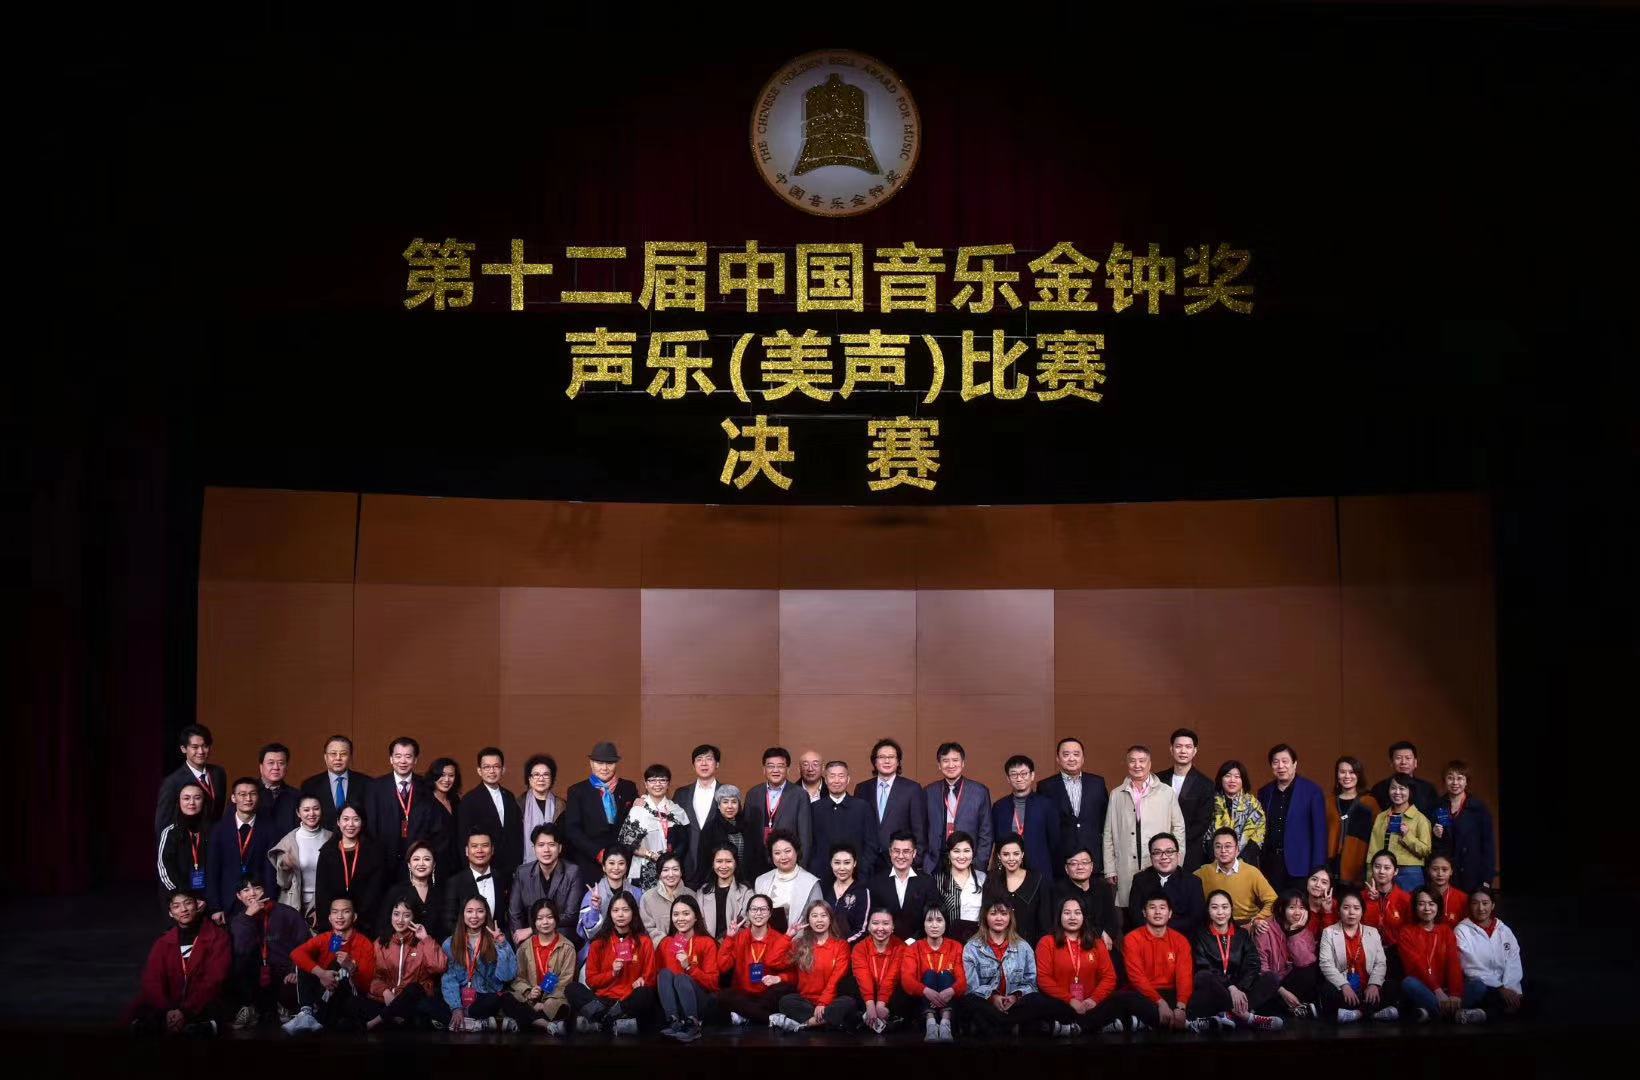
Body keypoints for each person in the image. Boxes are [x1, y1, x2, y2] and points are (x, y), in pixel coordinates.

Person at [1036, 897, 1150, 1036]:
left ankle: (1074, 1027)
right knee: (1036, 1001)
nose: (1072, 917)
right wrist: (1070, 1000)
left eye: (1077, 912)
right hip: (1062, 1003)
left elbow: (1109, 978)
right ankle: (1097, 1025)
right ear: (1059, 916)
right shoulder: (1046, 942)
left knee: (1126, 998)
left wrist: (1093, 1000)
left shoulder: (1097, 944)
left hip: (1092, 1006)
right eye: (1067, 913)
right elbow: (1044, 979)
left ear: (1084, 917)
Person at [1103, 745, 1186, 930]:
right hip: (1126, 865)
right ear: (1127, 763)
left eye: (1142, 761)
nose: (1137, 765)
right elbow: (1109, 833)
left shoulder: (1166, 792)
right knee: (1131, 917)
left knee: (1159, 910)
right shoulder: (1117, 794)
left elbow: (1179, 828)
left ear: (1150, 764)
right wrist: (1109, 868)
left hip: (1159, 863)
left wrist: (1177, 861)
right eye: (1132, 761)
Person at [127, 889, 230, 1035]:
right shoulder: (163, 942)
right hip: (170, 1005)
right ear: (171, 913)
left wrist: (185, 1011)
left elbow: (215, 979)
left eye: (188, 903)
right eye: (176, 906)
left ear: (198, 906)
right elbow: (152, 979)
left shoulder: (218, 937)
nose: (183, 909)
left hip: (201, 1003)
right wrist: (167, 1010)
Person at [1188, 890, 1286, 1030]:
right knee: (1202, 976)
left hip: (1240, 989)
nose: (1220, 912)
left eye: (1225, 907)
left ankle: (1229, 1015)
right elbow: (1203, 965)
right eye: (1214, 907)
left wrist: (1240, 989)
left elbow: (1253, 964)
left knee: (1272, 978)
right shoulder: (1200, 935)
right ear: (1208, 910)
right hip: (1214, 990)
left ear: (1231, 909)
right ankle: (1247, 1017)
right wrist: (1231, 988)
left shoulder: (1242, 934)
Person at [958, 901, 1057, 1036]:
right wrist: (993, 997)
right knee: (969, 1002)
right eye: (993, 914)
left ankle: (1000, 1026)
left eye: (1004, 914)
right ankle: (1014, 1026)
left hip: (1016, 1005)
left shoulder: (1023, 947)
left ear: (1010, 917)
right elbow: (972, 986)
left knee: (1038, 1000)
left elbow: (1031, 983)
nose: (999, 918)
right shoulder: (972, 948)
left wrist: (1015, 997)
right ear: (985, 917)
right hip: (987, 1005)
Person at [282, 897, 378, 1034]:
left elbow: (366, 985)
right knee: (304, 963)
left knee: (340, 968)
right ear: (330, 918)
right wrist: (321, 973)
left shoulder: (364, 943)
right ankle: (306, 1013)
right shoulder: (325, 938)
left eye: (345, 912)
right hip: (323, 991)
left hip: (349, 997)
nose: (339, 916)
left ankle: (318, 1017)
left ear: (354, 917)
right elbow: (296, 953)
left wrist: (351, 967)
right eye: (335, 912)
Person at [568, 890, 657, 1035]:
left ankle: (600, 1021)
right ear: (609, 914)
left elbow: (651, 977)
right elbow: (591, 981)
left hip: (628, 999)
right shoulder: (598, 942)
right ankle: (615, 1021)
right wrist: (612, 973)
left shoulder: (644, 941)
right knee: (572, 989)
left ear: (633, 913)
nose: (620, 915)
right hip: (602, 1000)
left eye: (625, 910)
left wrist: (643, 980)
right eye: (615, 910)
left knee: (646, 994)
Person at [768, 899, 860, 1033]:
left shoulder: (841, 945)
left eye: (823, 915)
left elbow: (835, 979)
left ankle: (806, 1024)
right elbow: (772, 961)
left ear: (830, 919)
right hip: (806, 1001)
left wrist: (823, 1003)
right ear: (808, 920)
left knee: (848, 1002)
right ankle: (828, 1023)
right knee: (785, 1001)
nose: (819, 920)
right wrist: (788, 936)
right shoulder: (800, 944)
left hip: (830, 1001)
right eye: (814, 916)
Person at [227, 877, 307, 1028]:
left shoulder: (287, 913)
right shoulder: (239, 920)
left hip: (284, 971)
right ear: (239, 896)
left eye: (257, 888)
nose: (252, 893)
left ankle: (286, 1007)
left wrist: (295, 969)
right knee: (238, 968)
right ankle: (250, 1009)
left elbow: (303, 944)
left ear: (264, 890)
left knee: (292, 983)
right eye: (246, 890)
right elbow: (240, 950)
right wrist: (248, 917)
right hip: (255, 976)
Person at [441, 896, 528, 1033]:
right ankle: (483, 1023)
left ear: (486, 914)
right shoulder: (450, 943)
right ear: (463, 914)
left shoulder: (496, 940)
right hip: (460, 998)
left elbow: (507, 976)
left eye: (480, 911)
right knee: (428, 1003)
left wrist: (501, 945)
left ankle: (470, 1022)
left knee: (500, 999)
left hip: (486, 997)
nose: (474, 916)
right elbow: (449, 979)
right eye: (469, 911)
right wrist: (456, 1007)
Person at [364, 896, 450, 1031]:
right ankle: (394, 1017)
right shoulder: (380, 943)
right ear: (390, 915)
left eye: (406, 915)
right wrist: (385, 992)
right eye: (396, 914)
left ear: (413, 918)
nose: (400, 920)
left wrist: (425, 939)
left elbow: (439, 967)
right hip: (385, 999)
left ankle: (380, 1020)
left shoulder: (423, 942)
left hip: (414, 1000)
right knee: (354, 1003)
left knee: (414, 989)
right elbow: (373, 976)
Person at [1122, 892, 1204, 1032]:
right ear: (1144, 913)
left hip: (1173, 994)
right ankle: (1187, 1022)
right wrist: (1160, 1003)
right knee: (1122, 998)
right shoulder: (1131, 939)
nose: (1158, 912)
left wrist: (1181, 1006)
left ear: (1170, 913)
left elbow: (1184, 976)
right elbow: (1137, 978)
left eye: (1162, 907)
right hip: (1144, 994)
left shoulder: (1180, 940)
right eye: (1152, 907)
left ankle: (1148, 1022)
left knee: (1204, 988)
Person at [561, 741, 639, 881]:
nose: (604, 768)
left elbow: (635, 824)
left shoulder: (628, 787)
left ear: (616, 764)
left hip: (622, 861)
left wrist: (622, 855)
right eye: (599, 763)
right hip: (589, 861)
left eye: (610, 763)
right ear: (591, 763)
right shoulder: (577, 791)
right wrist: (597, 853)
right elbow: (573, 830)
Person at [1318, 889, 1398, 1023]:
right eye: (1346, 908)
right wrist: (1344, 986)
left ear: (1362, 911)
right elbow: (1326, 964)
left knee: (1392, 986)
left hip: (1368, 989)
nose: (1351, 912)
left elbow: (1380, 963)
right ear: (1339, 911)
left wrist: (1374, 985)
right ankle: (1371, 1014)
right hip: (1344, 989)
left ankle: (1356, 1014)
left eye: (1356, 908)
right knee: (1327, 990)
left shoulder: (1372, 932)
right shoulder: (1329, 932)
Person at [1256, 744, 1328, 893]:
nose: (1280, 766)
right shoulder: (1265, 792)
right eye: (1276, 762)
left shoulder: (1312, 791)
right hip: (1271, 864)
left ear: (1294, 764)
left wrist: (1318, 867)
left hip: (1301, 865)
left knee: (1298, 906)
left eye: (1285, 761)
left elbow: (1320, 833)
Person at [713, 893, 793, 1026]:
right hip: (743, 994)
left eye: (763, 909)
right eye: (754, 909)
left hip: (768, 994)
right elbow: (723, 966)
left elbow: (793, 975)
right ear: (748, 913)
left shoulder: (780, 939)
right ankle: (770, 1018)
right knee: (721, 996)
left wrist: (778, 978)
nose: (758, 913)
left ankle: (746, 1015)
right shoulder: (738, 937)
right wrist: (729, 938)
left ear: (770, 913)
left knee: (784, 992)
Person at [364, 737, 443, 870]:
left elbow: (434, 825)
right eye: (398, 756)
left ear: (415, 760)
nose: (403, 761)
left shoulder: (426, 786)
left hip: (417, 860)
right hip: (384, 859)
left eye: (408, 756)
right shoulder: (376, 787)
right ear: (391, 759)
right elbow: (371, 826)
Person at [1452, 886, 1526, 1024]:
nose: (1481, 908)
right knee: (1479, 989)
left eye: (1485, 903)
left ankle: (1482, 1014)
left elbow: (1513, 962)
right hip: (1480, 984)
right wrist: (1499, 988)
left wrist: (1511, 989)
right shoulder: (1461, 931)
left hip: (1505, 985)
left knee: (1536, 991)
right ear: (1469, 906)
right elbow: (1470, 967)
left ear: (1492, 905)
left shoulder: (1504, 930)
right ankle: (1494, 1012)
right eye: (1475, 903)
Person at [1037, 737, 1109, 878]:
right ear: (1058, 759)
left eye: (1076, 754)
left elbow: (1105, 820)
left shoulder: (1097, 783)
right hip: (1060, 861)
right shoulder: (1046, 786)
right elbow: (1043, 826)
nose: (1071, 758)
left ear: (1083, 758)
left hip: (1093, 859)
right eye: (1066, 754)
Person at [314, 806, 387, 938]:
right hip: (335, 923)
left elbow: (376, 891)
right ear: (338, 822)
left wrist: (358, 918)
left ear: (362, 822)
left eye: (356, 819)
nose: (350, 824)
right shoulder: (327, 851)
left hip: (366, 923)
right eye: (346, 819)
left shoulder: (374, 851)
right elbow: (322, 893)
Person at [1396, 885, 1465, 1023]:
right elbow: (1416, 965)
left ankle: (1432, 1012)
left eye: (1431, 904)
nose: (1427, 908)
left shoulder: (1446, 931)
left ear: (1438, 906)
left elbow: (1453, 963)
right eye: (1421, 904)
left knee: (1477, 985)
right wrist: (1437, 990)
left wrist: (1455, 994)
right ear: (1415, 907)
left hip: (1446, 989)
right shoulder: (1406, 932)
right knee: (1408, 983)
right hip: (1423, 989)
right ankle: (1455, 1015)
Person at [655, 895, 719, 1042]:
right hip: (674, 1003)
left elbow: (713, 984)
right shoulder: (666, 943)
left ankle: (693, 1026)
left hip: (699, 1002)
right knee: (664, 974)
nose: (680, 919)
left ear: (696, 917)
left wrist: (689, 967)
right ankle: (674, 1022)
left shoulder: (706, 942)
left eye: (686, 913)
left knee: (681, 978)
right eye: (676, 914)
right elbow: (658, 979)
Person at [454, 748, 524, 882]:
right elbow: (463, 839)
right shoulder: (469, 800)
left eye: (496, 766)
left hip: (509, 869)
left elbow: (516, 833)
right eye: (487, 767)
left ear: (503, 769)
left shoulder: (509, 796)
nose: (492, 771)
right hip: (482, 869)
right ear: (479, 771)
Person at [922, 742, 994, 872]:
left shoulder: (979, 792)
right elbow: (922, 830)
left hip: (968, 863)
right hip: (935, 864)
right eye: (945, 761)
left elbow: (986, 833)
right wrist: (926, 861)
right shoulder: (929, 792)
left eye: (955, 760)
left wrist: (978, 865)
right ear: (939, 765)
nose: (951, 765)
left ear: (963, 763)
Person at [744, 747, 814, 881]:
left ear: (787, 769)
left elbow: (805, 836)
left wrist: (800, 869)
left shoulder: (799, 795)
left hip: (787, 862)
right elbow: (747, 834)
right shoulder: (753, 794)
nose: (775, 770)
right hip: (757, 864)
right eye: (770, 766)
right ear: (764, 769)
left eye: (780, 766)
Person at [507, 897, 575, 1034]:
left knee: (558, 1006)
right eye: (539, 918)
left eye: (549, 917)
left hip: (554, 999)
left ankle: (528, 1021)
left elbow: (565, 981)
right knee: (507, 998)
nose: (545, 922)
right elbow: (518, 978)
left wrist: (545, 1002)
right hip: (529, 999)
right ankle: (545, 1024)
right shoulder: (524, 948)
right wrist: (529, 992)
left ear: (556, 919)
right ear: (534, 922)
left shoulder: (567, 947)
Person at [508, 823, 583, 946]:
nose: (546, 850)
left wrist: (532, 929)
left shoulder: (572, 872)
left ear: (559, 848)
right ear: (534, 848)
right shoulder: (522, 872)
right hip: (530, 942)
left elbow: (571, 915)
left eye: (551, 845)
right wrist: (522, 945)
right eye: (541, 845)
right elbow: (514, 914)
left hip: (562, 939)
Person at [207, 778, 269, 920]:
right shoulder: (218, 829)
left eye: (252, 794)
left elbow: (270, 870)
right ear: (233, 798)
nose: (248, 798)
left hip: (258, 900)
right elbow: (212, 870)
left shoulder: (269, 829)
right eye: (242, 794)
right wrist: (215, 907)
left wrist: (268, 901)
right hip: (227, 902)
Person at [857, 738, 927, 863]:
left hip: (899, 860)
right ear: (874, 762)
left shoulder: (912, 789)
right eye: (882, 757)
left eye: (891, 757)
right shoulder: (862, 788)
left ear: (898, 761)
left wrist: (916, 860)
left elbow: (919, 829)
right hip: (868, 861)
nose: (887, 761)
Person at [991, 756, 1062, 879]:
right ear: (1008, 778)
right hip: (1007, 871)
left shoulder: (1046, 805)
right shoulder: (999, 807)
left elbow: (1055, 842)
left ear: (1032, 775)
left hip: (1039, 871)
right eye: (1014, 774)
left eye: (1024, 774)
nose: (1019, 778)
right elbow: (997, 842)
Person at [809, 760, 881, 879]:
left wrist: (862, 869)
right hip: (822, 876)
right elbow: (810, 845)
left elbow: (872, 844)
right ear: (826, 780)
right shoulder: (814, 808)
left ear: (848, 779)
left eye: (841, 776)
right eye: (832, 776)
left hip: (856, 876)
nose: (836, 780)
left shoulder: (862, 807)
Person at [902, 905, 965, 1040]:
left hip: (951, 1005)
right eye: (929, 920)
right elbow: (907, 980)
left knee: (945, 975)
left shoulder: (956, 946)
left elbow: (963, 980)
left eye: (939, 920)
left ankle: (945, 1024)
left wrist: (951, 991)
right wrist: (926, 991)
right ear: (923, 923)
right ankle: (930, 1024)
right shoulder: (913, 948)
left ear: (946, 923)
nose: (934, 925)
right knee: (930, 974)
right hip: (922, 1007)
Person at [154, 724, 227, 839]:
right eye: (195, 747)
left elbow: (218, 812)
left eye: (205, 746)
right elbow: (162, 824)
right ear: (183, 749)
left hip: (214, 841)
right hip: (187, 843)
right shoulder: (172, 782)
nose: (201, 751)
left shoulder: (218, 773)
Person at [268, 795, 331, 928]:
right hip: (293, 902)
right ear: (298, 813)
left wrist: (323, 907)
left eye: (316, 809)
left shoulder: (331, 838)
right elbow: (283, 883)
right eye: (306, 810)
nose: (311, 814)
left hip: (324, 902)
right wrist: (285, 868)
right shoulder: (289, 841)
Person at [622, 764, 688, 890]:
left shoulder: (677, 811)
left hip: (670, 870)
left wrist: (670, 859)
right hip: (644, 868)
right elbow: (627, 843)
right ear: (646, 784)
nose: (657, 784)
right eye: (652, 780)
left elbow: (684, 842)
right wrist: (651, 855)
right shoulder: (637, 810)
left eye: (662, 780)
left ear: (668, 784)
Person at [1194, 828, 1277, 928]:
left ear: (1237, 849)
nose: (1223, 850)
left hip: (1246, 924)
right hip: (1215, 924)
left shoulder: (1251, 872)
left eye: (1228, 846)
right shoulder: (1203, 872)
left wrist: (1257, 919)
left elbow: (1273, 900)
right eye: (1218, 846)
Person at [981, 834, 1054, 945]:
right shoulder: (992, 879)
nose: (1011, 859)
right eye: (1006, 854)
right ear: (999, 856)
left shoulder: (1037, 880)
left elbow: (1045, 924)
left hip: (1031, 947)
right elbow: (985, 918)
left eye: (1016, 854)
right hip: (997, 947)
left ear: (1022, 854)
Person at [1434, 760, 1496, 893]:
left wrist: (1487, 879)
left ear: (1466, 781)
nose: (1455, 782)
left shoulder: (1479, 808)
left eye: (1460, 778)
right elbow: (1432, 845)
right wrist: (1436, 835)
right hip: (1446, 873)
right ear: (1444, 781)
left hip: (1472, 872)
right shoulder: (1437, 806)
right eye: (1450, 778)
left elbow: (1488, 846)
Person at [1258, 890, 1321, 1019]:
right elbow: (1261, 968)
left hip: (1287, 980)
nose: (1297, 912)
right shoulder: (1265, 928)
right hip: (1270, 983)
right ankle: (1294, 1008)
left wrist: (1294, 934)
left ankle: (1293, 1007)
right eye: (1292, 907)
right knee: (1268, 988)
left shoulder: (1305, 931)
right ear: (1282, 908)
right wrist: (1282, 991)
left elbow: (1305, 963)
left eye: (1302, 908)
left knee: (1311, 970)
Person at [1126, 832, 1205, 934]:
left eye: (1169, 851)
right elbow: (1135, 915)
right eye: (1157, 852)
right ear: (1151, 857)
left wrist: (1162, 930)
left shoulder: (1193, 882)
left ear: (1178, 855)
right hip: (1147, 936)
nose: (1164, 857)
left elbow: (1196, 918)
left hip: (1181, 937)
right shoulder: (1140, 880)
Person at [441, 828, 512, 939]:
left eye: (485, 845)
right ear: (466, 851)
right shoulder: (455, 882)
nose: (480, 850)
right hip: (466, 944)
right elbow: (450, 922)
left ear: (492, 850)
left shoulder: (502, 879)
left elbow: (507, 918)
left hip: (498, 943)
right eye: (474, 846)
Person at [869, 831, 938, 941]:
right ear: (890, 852)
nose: (901, 856)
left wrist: (912, 941)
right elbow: (873, 918)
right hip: (885, 944)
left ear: (914, 853)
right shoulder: (876, 882)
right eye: (896, 851)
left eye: (906, 851)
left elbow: (931, 917)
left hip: (919, 944)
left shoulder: (927, 882)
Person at [1163, 730, 1216, 872]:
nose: (1183, 751)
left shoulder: (1206, 784)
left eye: (1188, 747)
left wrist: (1174, 843)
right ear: (1171, 749)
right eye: (1178, 746)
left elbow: (1202, 822)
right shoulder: (1158, 779)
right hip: (1158, 850)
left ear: (1195, 751)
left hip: (1190, 851)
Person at [575, 847, 643, 957]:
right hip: (600, 949)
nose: (616, 868)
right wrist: (595, 909)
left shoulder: (638, 894)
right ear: (603, 867)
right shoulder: (591, 895)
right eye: (611, 863)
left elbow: (642, 929)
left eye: (621, 863)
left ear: (627, 867)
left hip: (631, 947)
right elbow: (587, 934)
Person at [1369, 774, 1432, 891]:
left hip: (1409, 872)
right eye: (1393, 788)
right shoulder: (1381, 817)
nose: (1397, 792)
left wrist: (1407, 836)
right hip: (1383, 871)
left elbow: (1426, 851)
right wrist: (1370, 876)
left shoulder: (1420, 819)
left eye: (1402, 788)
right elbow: (1373, 849)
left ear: (1410, 791)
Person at [378, 839, 448, 944]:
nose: (421, 863)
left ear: (434, 864)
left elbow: (444, 929)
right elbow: (383, 926)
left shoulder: (441, 893)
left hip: (434, 949)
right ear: (409, 864)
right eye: (416, 859)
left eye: (427, 859)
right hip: (402, 949)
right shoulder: (396, 891)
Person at [855, 908, 913, 1033]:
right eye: (875, 923)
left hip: (891, 995)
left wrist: (881, 1004)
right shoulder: (859, 948)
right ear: (868, 926)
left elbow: (892, 977)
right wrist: (870, 1006)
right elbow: (863, 978)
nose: (880, 928)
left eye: (886, 923)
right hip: (866, 996)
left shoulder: (901, 947)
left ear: (892, 927)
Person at [754, 829, 822, 934]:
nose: (783, 857)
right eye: (777, 853)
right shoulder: (761, 881)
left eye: (787, 851)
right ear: (771, 856)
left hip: (800, 940)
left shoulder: (811, 882)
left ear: (796, 852)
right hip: (766, 939)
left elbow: (818, 919)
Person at [298, 734, 371, 830]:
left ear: (350, 756)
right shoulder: (310, 785)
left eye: (343, 754)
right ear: (325, 757)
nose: (338, 758)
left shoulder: (367, 783)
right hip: (322, 838)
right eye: (333, 754)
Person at [1327, 755, 1380, 886]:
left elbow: (1377, 835)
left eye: (1352, 772)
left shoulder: (1369, 803)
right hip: (1331, 865)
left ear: (1359, 775)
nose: (1347, 776)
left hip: (1359, 865)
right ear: (1337, 775)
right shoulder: (1329, 803)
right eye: (1342, 772)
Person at [675, 744, 723, 885]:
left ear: (717, 764)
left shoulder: (726, 792)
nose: (704, 763)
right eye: (699, 759)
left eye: (709, 759)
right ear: (693, 765)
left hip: (718, 865)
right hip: (687, 863)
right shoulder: (681, 794)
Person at [1052, 847, 1117, 951]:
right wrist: (1100, 932)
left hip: (1103, 944)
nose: (1080, 867)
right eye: (1074, 863)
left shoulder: (1103, 887)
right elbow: (1062, 925)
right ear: (1066, 869)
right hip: (1071, 944)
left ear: (1091, 866)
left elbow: (1112, 921)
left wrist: (1106, 936)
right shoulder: (1058, 891)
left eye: (1085, 862)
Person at [156, 783, 210, 900]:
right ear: (179, 802)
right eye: (186, 798)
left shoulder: (214, 830)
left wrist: (208, 898)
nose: (191, 802)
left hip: (209, 897)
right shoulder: (170, 832)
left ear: (204, 801)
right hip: (180, 898)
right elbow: (164, 867)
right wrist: (183, 897)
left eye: (197, 798)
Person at [1210, 759, 1267, 868]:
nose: (1232, 780)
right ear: (1221, 779)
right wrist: (1219, 857)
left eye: (1237, 777)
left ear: (1243, 780)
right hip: (1214, 862)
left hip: (1246, 863)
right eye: (1228, 776)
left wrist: (1237, 861)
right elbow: (1205, 836)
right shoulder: (1210, 802)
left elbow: (1258, 836)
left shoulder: (1253, 805)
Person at [932, 831, 987, 942]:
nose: (962, 856)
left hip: (979, 942)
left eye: (966, 851)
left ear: (973, 853)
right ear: (949, 854)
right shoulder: (937, 880)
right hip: (947, 943)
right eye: (956, 851)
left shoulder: (983, 879)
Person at [693, 785, 750, 888]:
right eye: (725, 802)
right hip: (717, 881)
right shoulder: (710, 828)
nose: (730, 806)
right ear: (719, 805)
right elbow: (704, 861)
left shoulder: (747, 826)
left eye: (734, 802)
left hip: (744, 880)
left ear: (739, 804)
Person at [694, 844, 752, 940]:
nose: (724, 866)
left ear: (736, 863)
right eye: (719, 861)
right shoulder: (702, 892)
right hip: (707, 945)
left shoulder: (746, 892)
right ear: (713, 864)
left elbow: (745, 922)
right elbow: (698, 924)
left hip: (735, 944)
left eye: (728, 861)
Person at [1369, 741, 1440, 819]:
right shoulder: (1379, 788)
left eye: (1408, 758)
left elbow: (1435, 817)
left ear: (1415, 762)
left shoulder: (1427, 789)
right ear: (1391, 762)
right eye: (1398, 758)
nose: (1403, 762)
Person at [516, 754, 561, 873]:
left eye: (546, 775)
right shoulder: (517, 805)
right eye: (536, 774)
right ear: (529, 779)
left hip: (556, 869)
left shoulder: (562, 806)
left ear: (552, 779)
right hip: (523, 869)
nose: (541, 779)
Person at [821, 843, 872, 942]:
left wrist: (840, 945)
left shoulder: (862, 892)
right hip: (823, 947)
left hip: (849, 947)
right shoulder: (824, 888)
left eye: (847, 863)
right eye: (837, 863)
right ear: (831, 863)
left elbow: (862, 930)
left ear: (854, 863)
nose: (842, 868)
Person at [424, 757, 464, 880]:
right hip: (435, 868)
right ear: (433, 776)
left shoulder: (456, 801)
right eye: (442, 775)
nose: (446, 780)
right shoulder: (425, 805)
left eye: (451, 775)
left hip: (458, 866)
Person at [639, 854, 690, 943]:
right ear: (659, 873)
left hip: (689, 948)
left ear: (681, 872)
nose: (671, 874)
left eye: (675, 869)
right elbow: (648, 928)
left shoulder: (691, 895)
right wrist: (666, 944)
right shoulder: (647, 898)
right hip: (659, 948)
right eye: (665, 870)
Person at [255, 743, 299, 837]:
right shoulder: (247, 794)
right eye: (271, 763)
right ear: (261, 767)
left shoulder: (297, 796)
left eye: (281, 763)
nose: (276, 767)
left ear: (286, 767)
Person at [1426, 854, 1468, 927]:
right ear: (1428, 870)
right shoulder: (1419, 896)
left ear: (1451, 871)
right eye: (1435, 869)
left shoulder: (1463, 898)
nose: (1440, 874)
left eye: (1444, 870)